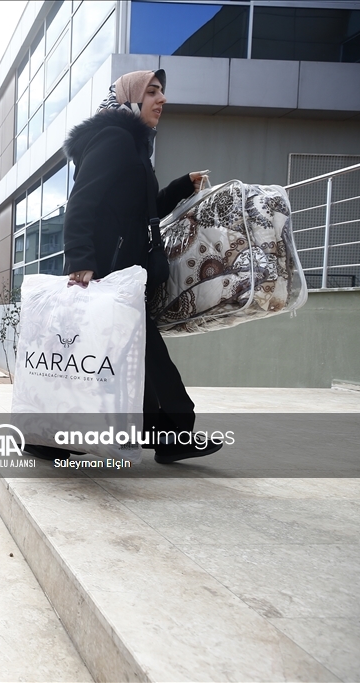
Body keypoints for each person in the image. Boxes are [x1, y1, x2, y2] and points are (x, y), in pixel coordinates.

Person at [62, 68, 221, 464]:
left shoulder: (134, 147)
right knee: (150, 359)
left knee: (135, 360)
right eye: (152, 92)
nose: (161, 99)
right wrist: (81, 259)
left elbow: (143, 213)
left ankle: (167, 436)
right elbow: (81, 201)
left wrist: (182, 185)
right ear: (131, 98)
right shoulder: (115, 139)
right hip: (108, 275)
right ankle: (175, 432)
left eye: (163, 92)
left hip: (127, 276)